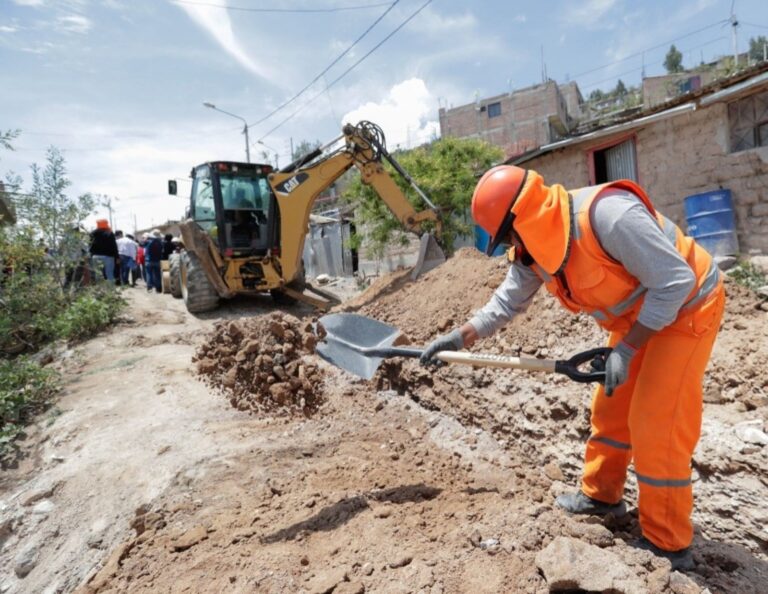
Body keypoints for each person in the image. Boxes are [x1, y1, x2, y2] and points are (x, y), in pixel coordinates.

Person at [420, 166, 724, 571]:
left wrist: (628, 349)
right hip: (639, 317)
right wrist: (460, 337)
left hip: (687, 306)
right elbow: (506, 303)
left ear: (522, 218)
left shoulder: (608, 217)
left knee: (656, 422)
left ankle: (668, 543)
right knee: (611, 409)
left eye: (508, 236)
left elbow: (673, 282)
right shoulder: (536, 250)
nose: (511, 246)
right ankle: (602, 496)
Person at [89, 219, 118, 283]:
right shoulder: (109, 233)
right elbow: (114, 246)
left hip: (95, 256)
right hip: (108, 256)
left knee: (98, 275)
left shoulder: (92, 233)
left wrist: (91, 254)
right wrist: (117, 257)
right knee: (109, 274)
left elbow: (89, 244)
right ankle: (111, 291)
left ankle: (100, 291)